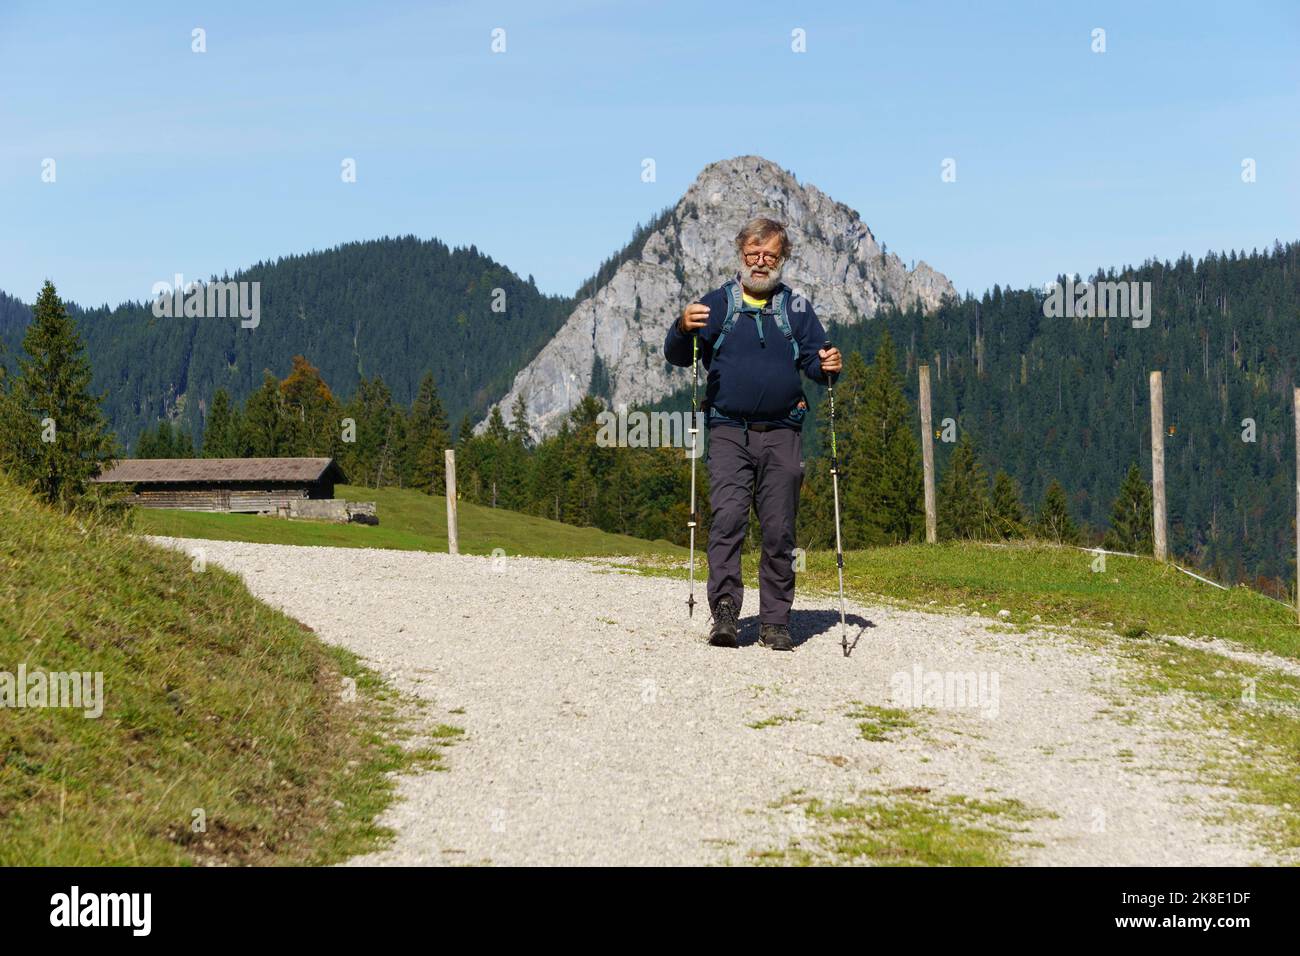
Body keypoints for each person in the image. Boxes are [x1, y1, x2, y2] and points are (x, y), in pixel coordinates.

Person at [663, 217, 842, 650]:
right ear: (740, 256)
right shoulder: (716, 305)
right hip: (728, 431)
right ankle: (725, 610)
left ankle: (775, 620)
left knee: (780, 529)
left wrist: (829, 365)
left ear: (782, 259)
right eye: (753, 254)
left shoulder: (796, 309)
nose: (761, 262)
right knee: (727, 519)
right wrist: (682, 326)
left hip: (783, 432)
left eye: (770, 255)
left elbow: (817, 366)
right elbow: (677, 357)